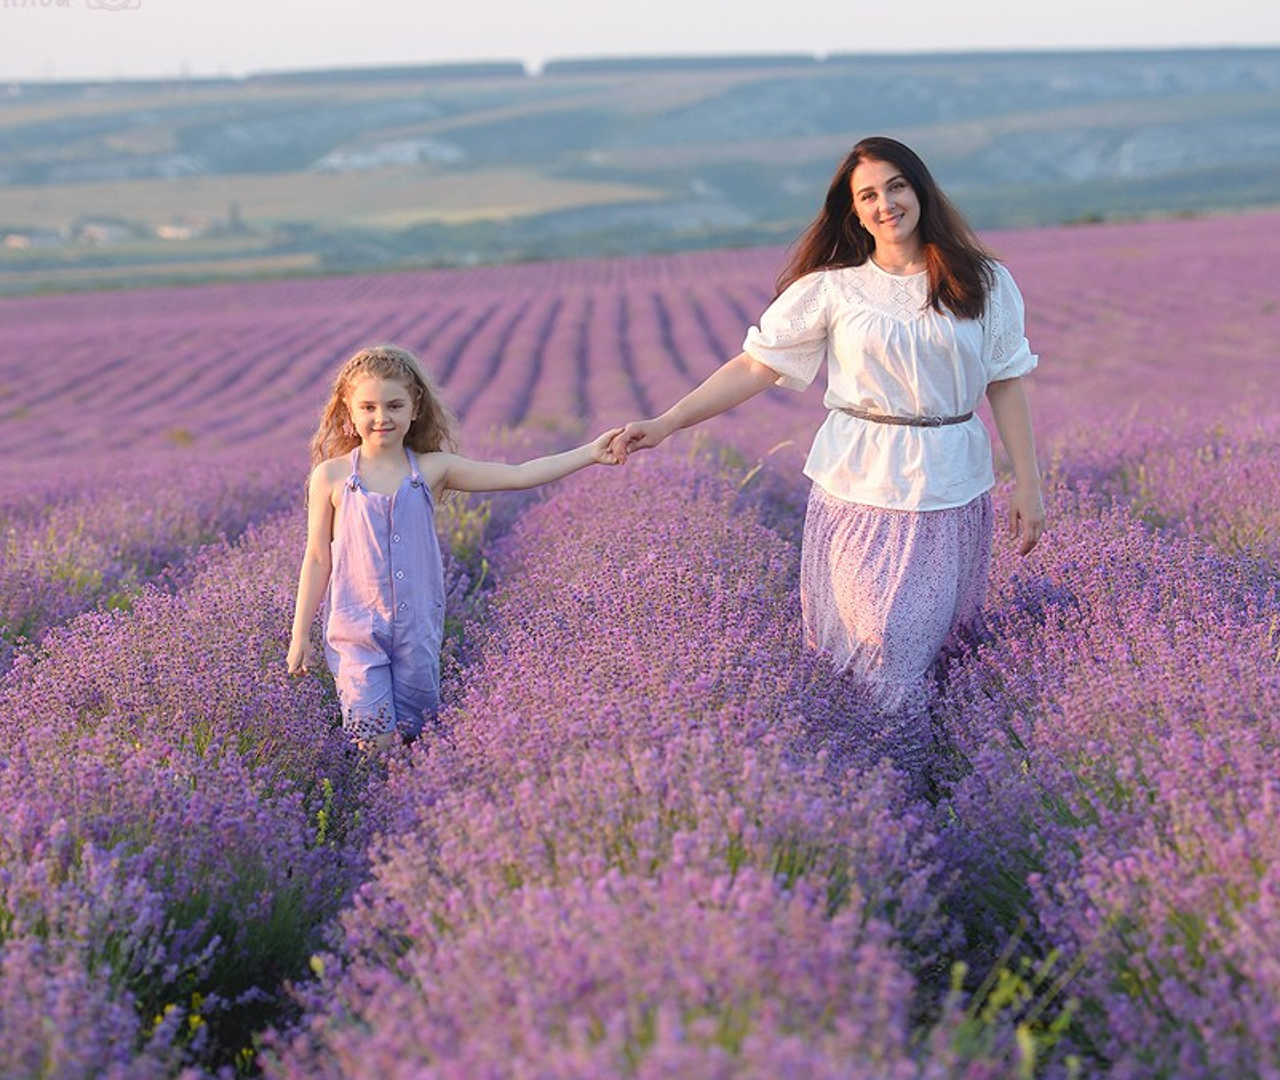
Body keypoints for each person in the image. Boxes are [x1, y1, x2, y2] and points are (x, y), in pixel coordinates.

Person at [612, 136, 1044, 717]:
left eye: (896, 186)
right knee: (879, 643)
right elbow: (755, 366)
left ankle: (918, 761)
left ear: (921, 191)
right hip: (857, 489)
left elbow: (1006, 381)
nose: (885, 204)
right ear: (854, 212)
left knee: (926, 649)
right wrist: (667, 422)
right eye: (868, 195)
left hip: (950, 487)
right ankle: (880, 759)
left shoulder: (983, 282)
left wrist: (1029, 483)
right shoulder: (831, 288)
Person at [288, 344, 622, 745]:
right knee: (375, 741)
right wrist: (300, 634)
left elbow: (518, 474)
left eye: (394, 406)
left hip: (417, 632)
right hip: (355, 632)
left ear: (415, 407)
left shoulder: (433, 469)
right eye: (368, 407)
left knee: (415, 737)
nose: (381, 418)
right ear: (348, 409)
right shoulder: (332, 476)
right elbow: (317, 557)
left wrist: (590, 452)